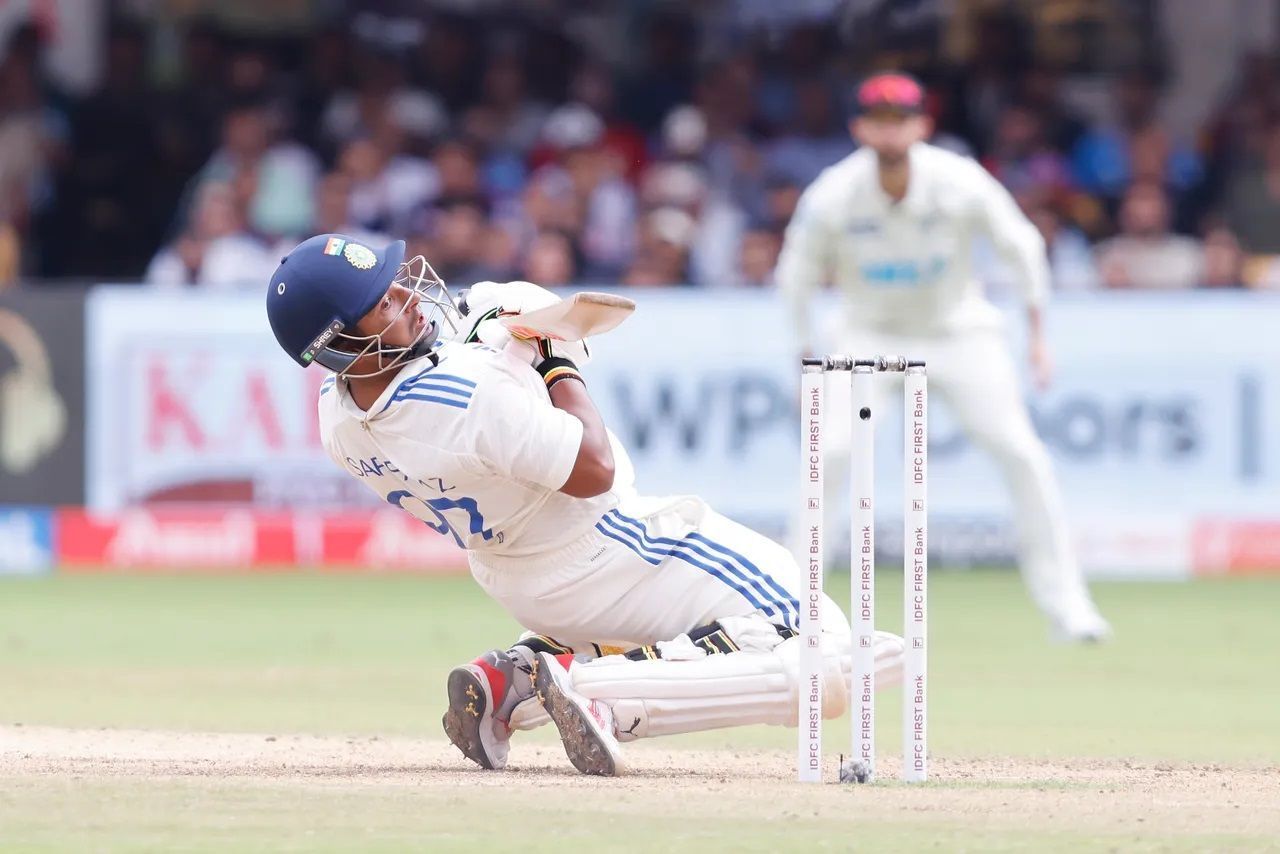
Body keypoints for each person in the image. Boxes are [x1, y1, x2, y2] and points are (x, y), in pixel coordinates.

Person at [264, 233, 904, 776]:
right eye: (381, 304)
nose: (404, 295)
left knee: (804, 652)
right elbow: (591, 469)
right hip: (609, 542)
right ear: (338, 344)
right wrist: (551, 356)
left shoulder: (338, 419)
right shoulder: (467, 396)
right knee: (820, 640)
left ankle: (517, 679)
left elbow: (433, 379)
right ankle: (605, 697)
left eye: (393, 281)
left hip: (521, 578)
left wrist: (488, 337)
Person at [776, 73, 1111, 643]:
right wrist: (803, 351)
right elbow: (796, 274)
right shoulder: (833, 193)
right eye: (877, 117)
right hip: (867, 333)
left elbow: (1021, 244)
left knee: (1022, 455)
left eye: (900, 116)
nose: (889, 128)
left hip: (957, 329)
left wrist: (1036, 334)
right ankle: (787, 607)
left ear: (922, 124)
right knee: (829, 455)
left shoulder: (959, 180)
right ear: (859, 127)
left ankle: (1069, 607)